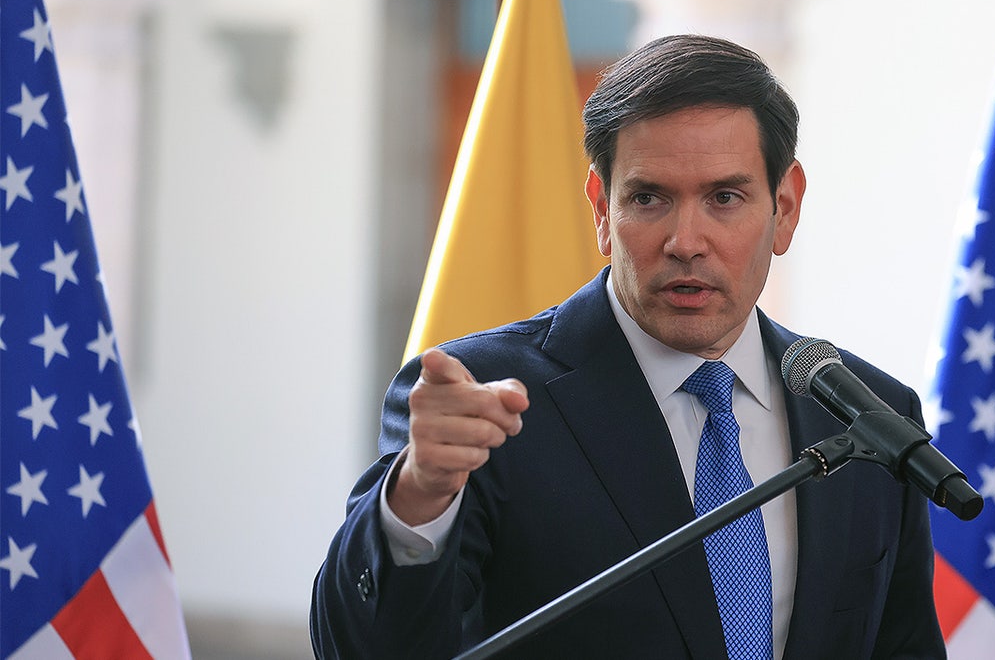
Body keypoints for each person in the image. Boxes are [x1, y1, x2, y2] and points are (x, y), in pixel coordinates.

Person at [310, 34, 945, 660]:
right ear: (601, 209)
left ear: (785, 207)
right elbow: (364, 650)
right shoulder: (482, 401)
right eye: (648, 198)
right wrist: (419, 496)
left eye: (724, 198)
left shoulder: (870, 418)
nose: (685, 241)